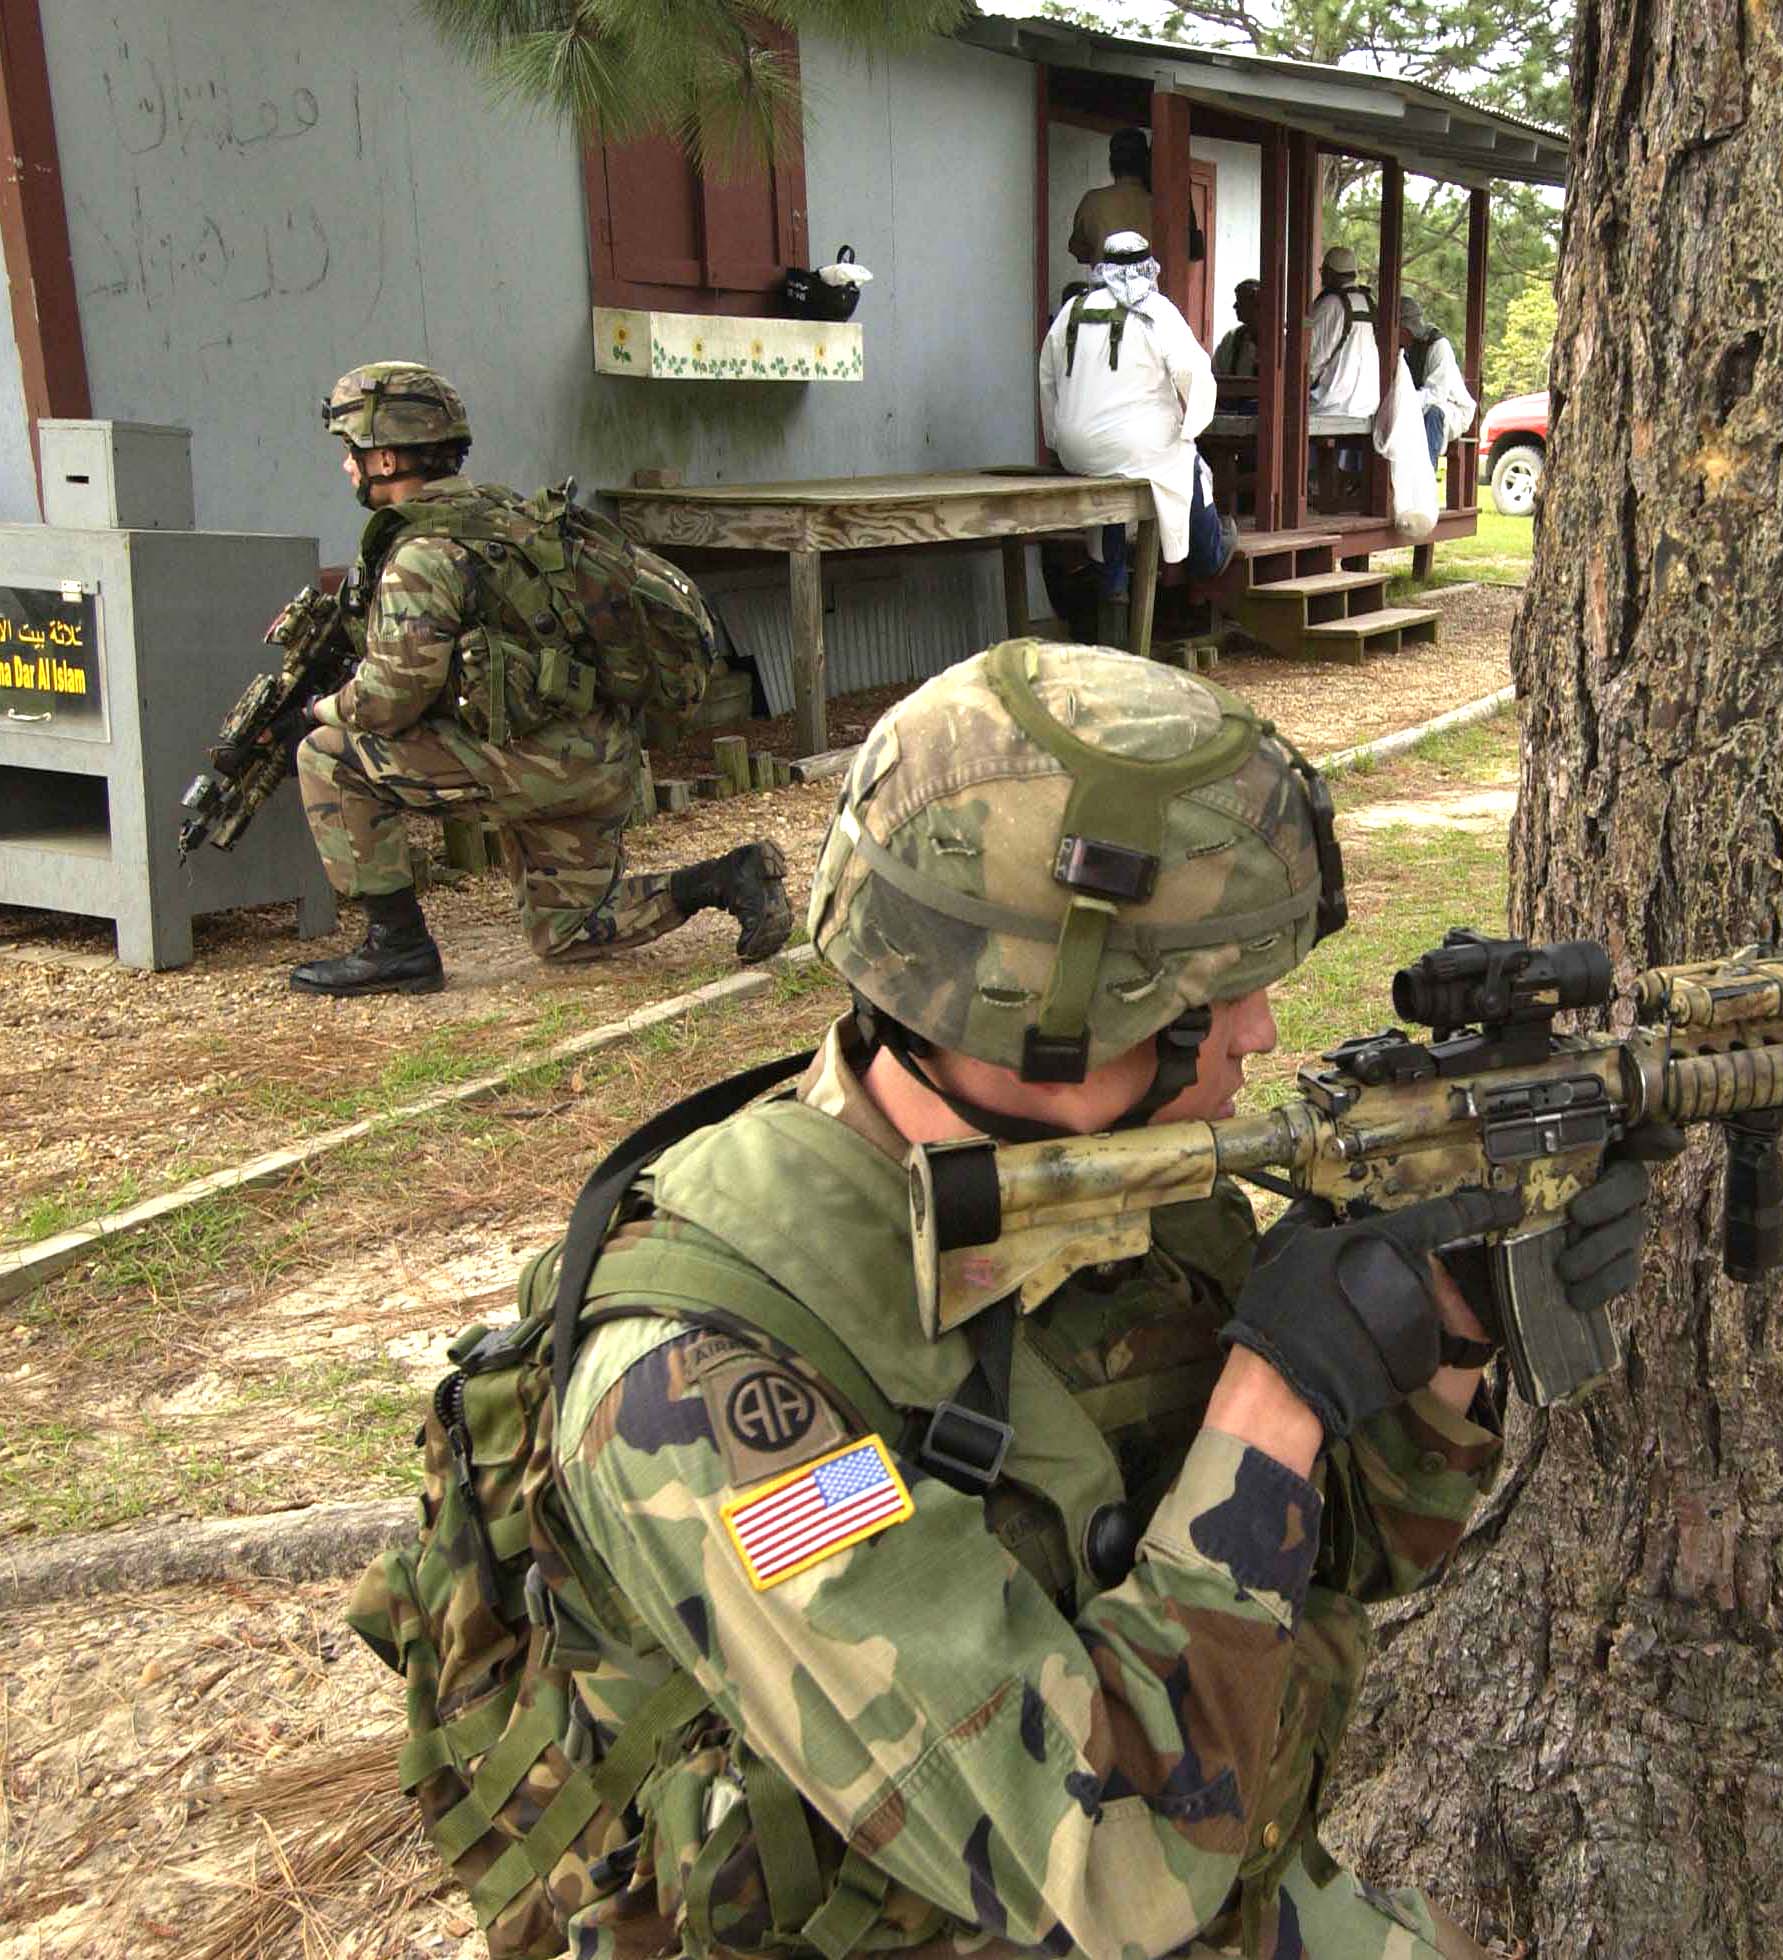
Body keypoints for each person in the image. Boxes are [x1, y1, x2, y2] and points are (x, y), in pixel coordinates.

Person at [540, 640, 1676, 1955]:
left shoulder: (1118, 1187)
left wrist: (1444, 1330)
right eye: (1206, 993)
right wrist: (1278, 1391)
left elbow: (1341, 1561)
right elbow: (1114, 1872)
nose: (1255, 1034)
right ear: (1044, 1009)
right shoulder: (695, 1389)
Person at [290, 363, 790, 996]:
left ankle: (398, 947)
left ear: (386, 458)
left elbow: (389, 701)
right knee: (570, 932)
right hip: (601, 759)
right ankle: (726, 877)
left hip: (529, 765)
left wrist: (321, 709)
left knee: (328, 757)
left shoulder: (421, 557)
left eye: (351, 452)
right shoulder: (512, 516)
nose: (347, 467)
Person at [1039, 233, 1233, 607]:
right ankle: (1207, 555)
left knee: (1112, 474)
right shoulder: (1156, 310)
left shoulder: (1072, 311)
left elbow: (1047, 376)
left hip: (1078, 450)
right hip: (1137, 447)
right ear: (1149, 267)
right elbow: (1194, 373)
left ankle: (1112, 580)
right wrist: (1191, 429)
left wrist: (1057, 437)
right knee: (1186, 463)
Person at [1397, 295, 1479, 468]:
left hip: (1451, 407)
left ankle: (1425, 476)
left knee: (1433, 414)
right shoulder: (1399, 349)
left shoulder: (1437, 346)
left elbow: (1436, 394)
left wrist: (1402, 401)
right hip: (1414, 408)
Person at [1307, 245, 1381, 419]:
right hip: (1366, 406)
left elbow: (1310, 358)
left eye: (1322, 271)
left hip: (1331, 406)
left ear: (1330, 272)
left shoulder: (1330, 304)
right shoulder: (1370, 302)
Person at [1067, 127, 1156, 269]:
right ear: (1146, 162)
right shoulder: (1159, 204)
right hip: (1148, 288)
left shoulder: (1092, 201)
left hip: (1105, 287)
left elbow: (1078, 250)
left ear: (1112, 162)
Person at [1214, 277, 1264, 379]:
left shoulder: (1279, 343)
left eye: (1240, 300)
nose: (1235, 306)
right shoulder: (1230, 339)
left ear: (1257, 303)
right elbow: (1214, 374)